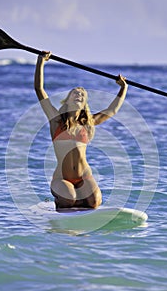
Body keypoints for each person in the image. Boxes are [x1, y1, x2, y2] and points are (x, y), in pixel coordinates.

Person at [34, 52, 128, 210]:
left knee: (94, 202)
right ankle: (60, 201)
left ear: (84, 103)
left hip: (84, 176)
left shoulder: (89, 123)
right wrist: (41, 62)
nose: (79, 95)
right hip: (62, 178)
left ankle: (79, 201)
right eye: (75, 93)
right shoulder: (56, 119)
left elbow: (112, 110)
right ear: (68, 99)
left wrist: (123, 88)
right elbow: (39, 89)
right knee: (68, 200)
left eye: (82, 95)